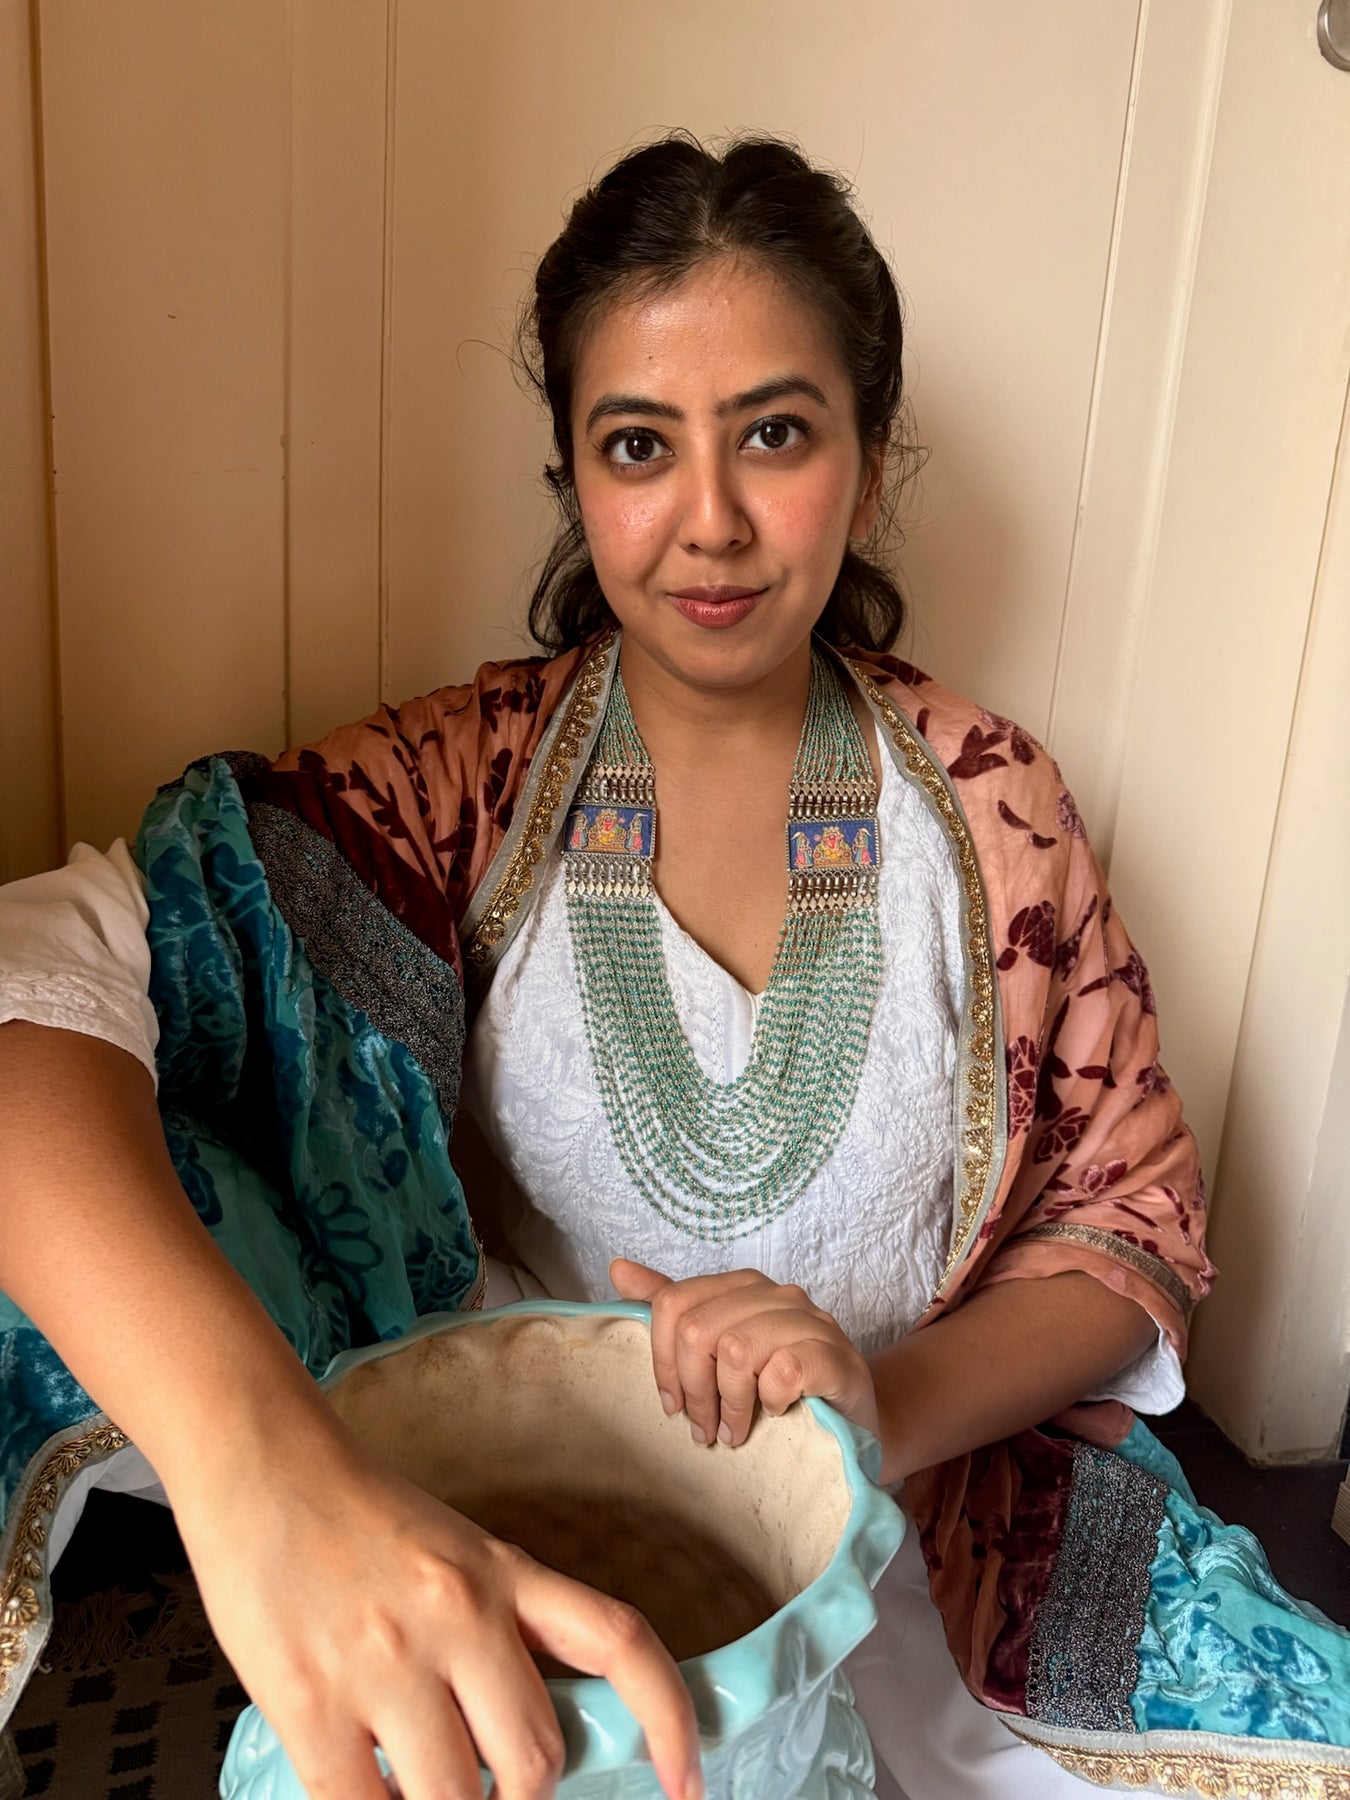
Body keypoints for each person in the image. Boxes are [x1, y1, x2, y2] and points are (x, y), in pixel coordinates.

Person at [0, 134, 1346, 1800]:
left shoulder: (987, 805)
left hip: (926, 1535)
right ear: (575, 477)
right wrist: (260, 1477)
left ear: (866, 464)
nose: (709, 523)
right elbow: (35, 980)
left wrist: (877, 1400)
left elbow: (1124, 1227)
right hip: (511, 1528)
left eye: (774, 433)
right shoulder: (463, 786)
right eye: (639, 445)